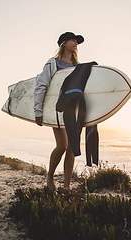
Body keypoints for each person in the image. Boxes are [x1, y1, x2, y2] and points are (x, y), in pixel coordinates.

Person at [33, 32, 84, 191]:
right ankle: (50, 177)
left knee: (71, 148)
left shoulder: (78, 66)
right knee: (62, 145)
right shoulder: (53, 63)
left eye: (77, 41)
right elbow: (42, 85)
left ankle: (67, 186)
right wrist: (38, 111)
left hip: (74, 110)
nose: (76, 43)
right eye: (73, 40)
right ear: (64, 43)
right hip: (58, 109)